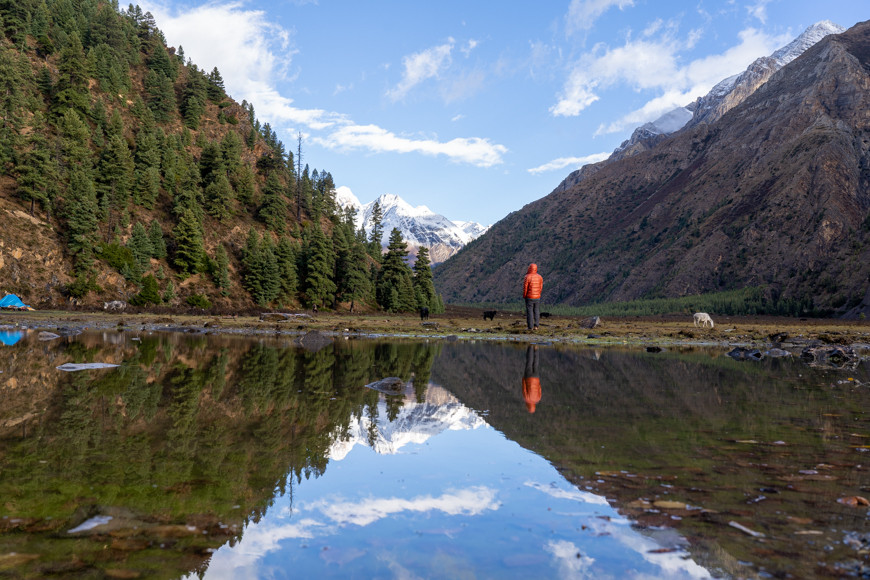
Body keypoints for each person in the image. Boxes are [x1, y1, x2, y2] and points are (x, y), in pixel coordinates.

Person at [522, 263, 543, 331]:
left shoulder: (527, 277)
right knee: (536, 311)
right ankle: (536, 326)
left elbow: (525, 288)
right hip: (537, 297)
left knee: (530, 312)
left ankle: (530, 327)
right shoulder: (540, 277)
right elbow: (540, 287)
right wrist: (538, 294)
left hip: (529, 297)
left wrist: (525, 295)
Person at [522, 344, 542, 413]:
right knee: (529, 362)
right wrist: (523, 379)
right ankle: (530, 347)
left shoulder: (538, 399)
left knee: (536, 364)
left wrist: (538, 381)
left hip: (536, 378)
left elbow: (539, 388)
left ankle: (536, 349)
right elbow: (524, 388)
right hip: (528, 378)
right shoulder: (526, 399)